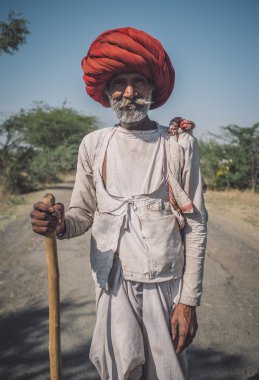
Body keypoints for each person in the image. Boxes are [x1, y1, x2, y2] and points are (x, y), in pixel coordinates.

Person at [30, 27, 207, 380]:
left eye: (138, 81)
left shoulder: (177, 145)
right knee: (117, 371)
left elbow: (197, 225)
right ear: (107, 91)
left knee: (167, 373)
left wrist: (188, 301)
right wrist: (59, 224)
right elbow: (82, 213)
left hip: (164, 284)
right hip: (110, 282)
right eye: (119, 82)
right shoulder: (94, 145)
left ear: (153, 89)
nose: (129, 92)